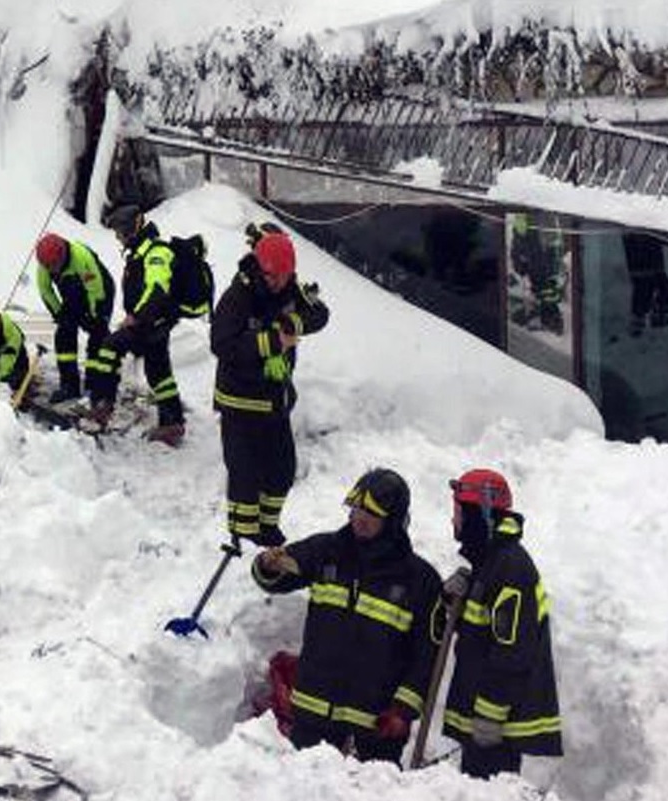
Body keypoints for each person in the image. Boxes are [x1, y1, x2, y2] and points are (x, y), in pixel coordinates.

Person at [251, 468, 442, 766]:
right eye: (355, 509)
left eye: (371, 513)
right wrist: (268, 565)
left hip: (376, 727)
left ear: (393, 521)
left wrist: (403, 712)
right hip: (313, 714)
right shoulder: (327, 551)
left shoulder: (420, 580)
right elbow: (275, 574)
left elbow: (425, 656)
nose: (360, 519)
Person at [211, 223, 330, 548]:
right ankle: (242, 534)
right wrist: (272, 341)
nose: (278, 283)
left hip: (275, 400)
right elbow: (222, 344)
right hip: (239, 401)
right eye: (272, 276)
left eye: (284, 276)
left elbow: (320, 313)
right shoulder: (237, 296)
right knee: (244, 473)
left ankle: (266, 526)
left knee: (281, 470)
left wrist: (295, 321)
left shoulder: (291, 287)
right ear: (260, 268)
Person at [439, 468, 562, 780]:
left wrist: (490, 714)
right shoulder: (489, 563)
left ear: (478, 514)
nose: (453, 521)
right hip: (484, 718)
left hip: (496, 725)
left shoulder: (511, 568)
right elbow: (477, 634)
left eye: (457, 512)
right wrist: (452, 600)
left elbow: (513, 649)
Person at [85, 205, 186, 446]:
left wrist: (136, 317)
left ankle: (102, 406)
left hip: (150, 322)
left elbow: (157, 288)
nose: (118, 238)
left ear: (132, 229)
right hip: (154, 321)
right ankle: (172, 422)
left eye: (120, 233)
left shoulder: (156, 252)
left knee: (109, 347)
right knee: (159, 372)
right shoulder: (140, 251)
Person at [33, 232, 115, 403]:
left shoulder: (81, 258)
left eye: (54, 265)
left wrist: (95, 316)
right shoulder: (45, 265)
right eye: (48, 267)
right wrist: (58, 313)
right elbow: (45, 290)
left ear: (62, 256)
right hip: (72, 294)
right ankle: (69, 385)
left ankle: (96, 383)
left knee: (98, 334)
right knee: (63, 335)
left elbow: (96, 289)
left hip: (100, 292)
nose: (52, 270)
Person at [622, 232, 668, 336]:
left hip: (650, 266)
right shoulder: (635, 232)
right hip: (644, 266)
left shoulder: (637, 232)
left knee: (664, 289)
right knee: (647, 291)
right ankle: (643, 319)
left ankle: (655, 316)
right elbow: (646, 238)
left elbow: (655, 238)